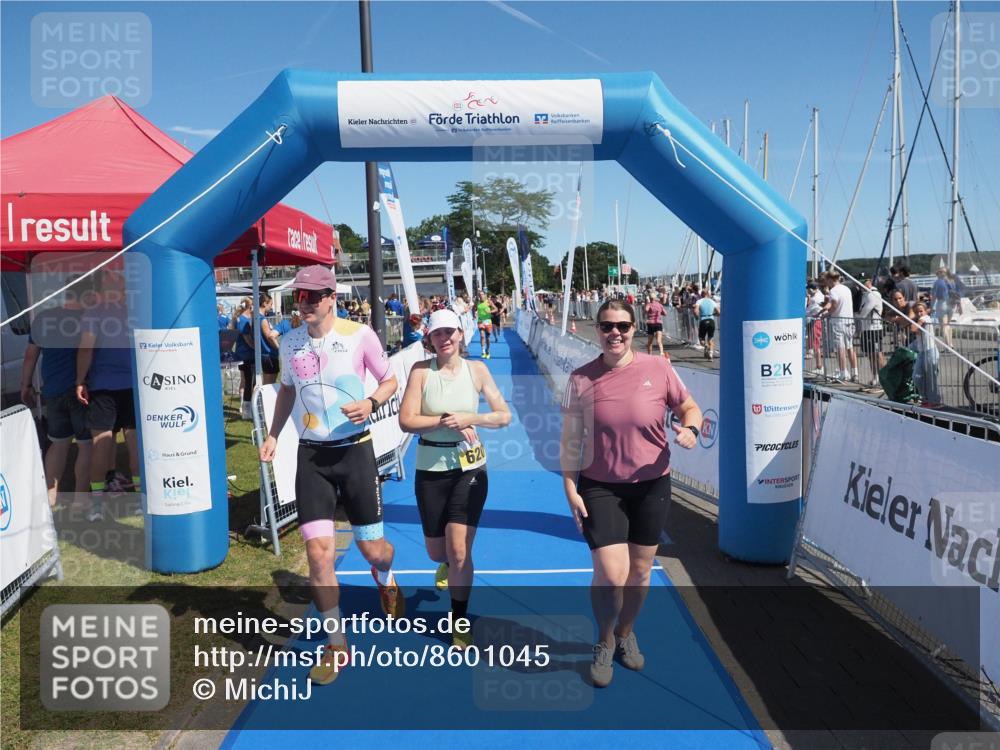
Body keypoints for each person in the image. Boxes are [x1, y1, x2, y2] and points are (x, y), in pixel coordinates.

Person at [259, 265, 403, 685]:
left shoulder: (360, 336)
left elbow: (390, 380)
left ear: (330, 297)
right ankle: (337, 645)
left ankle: (387, 579)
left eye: (311, 297)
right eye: (298, 297)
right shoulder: (289, 342)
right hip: (312, 459)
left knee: (374, 550)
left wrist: (372, 402)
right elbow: (286, 389)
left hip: (355, 453)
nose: (302, 303)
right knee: (319, 555)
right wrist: (272, 435)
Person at [560, 300, 702, 688]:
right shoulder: (580, 379)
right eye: (607, 326)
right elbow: (571, 440)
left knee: (639, 573)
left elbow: (690, 408)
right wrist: (569, 488)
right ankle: (604, 641)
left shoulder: (658, 368)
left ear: (634, 328)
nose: (614, 333)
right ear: (598, 329)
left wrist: (690, 428)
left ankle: (625, 632)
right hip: (600, 485)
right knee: (610, 573)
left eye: (622, 325)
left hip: (652, 484)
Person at [398, 308, 511, 648]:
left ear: (461, 334)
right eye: (438, 333)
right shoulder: (421, 371)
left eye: (450, 332)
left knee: (460, 551)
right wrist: (443, 422)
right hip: (430, 468)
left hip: (470, 469)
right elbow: (406, 421)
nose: (445, 338)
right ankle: (445, 562)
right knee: (438, 552)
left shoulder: (477, 370)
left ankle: (459, 619)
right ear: (429, 339)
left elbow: (503, 415)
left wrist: (471, 417)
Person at [75, 265, 140, 522]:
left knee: (101, 445)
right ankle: (140, 502)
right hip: (134, 386)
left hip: (103, 385)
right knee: (135, 444)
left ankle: (97, 506)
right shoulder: (137, 311)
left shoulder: (95, 311)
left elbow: (85, 349)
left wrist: (79, 380)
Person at [21, 280, 92, 508]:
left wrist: (25, 385)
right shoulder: (88, 318)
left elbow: (30, 355)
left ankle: (50, 496)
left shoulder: (43, 318)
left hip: (52, 390)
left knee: (58, 443)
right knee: (85, 444)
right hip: (82, 390)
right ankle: (81, 498)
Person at [822, 271, 858, 382]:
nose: (826, 282)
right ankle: (855, 372)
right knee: (850, 347)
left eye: (826, 280)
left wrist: (827, 313)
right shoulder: (846, 289)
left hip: (838, 321)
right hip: (849, 321)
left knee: (840, 349)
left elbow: (834, 306)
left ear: (830, 279)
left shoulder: (833, 291)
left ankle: (843, 373)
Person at [858, 277, 885, 388]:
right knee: (870, 355)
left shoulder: (873, 294)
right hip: (867, 329)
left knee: (878, 354)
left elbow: (863, 313)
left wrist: (859, 316)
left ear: (868, 282)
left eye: (863, 283)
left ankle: (884, 378)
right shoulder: (865, 294)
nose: (860, 286)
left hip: (874, 329)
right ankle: (875, 377)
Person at [233, 297, 255, 419]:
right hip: (245, 354)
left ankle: (246, 407)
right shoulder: (242, 319)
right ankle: (246, 409)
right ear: (250, 306)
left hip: (249, 354)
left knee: (248, 381)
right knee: (247, 381)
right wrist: (257, 348)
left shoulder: (248, 318)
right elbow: (247, 338)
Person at [695, 289, 720, 360]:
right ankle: (711, 355)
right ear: (708, 294)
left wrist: (696, 317)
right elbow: (719, 312)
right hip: (711, 320)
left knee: (701, 339)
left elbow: (695, 311)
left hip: (703, 320)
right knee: (710, 339)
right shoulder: (713, 301)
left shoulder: (699, 301)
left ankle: (705, 346)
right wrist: (714, 314)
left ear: (702, 294)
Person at [475, 292, 493, 359]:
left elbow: (496, 309)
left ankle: (487, 351)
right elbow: (474, 308)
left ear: (485, 295)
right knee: (482, 336)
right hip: (480, 321)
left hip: (488, 321)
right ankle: (483, 351)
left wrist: (490, 312)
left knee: (487, 338)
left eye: (482, 294)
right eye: (480, 295)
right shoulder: (477, 302)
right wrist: (474, 314)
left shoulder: (488, 302)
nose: (481, 296)